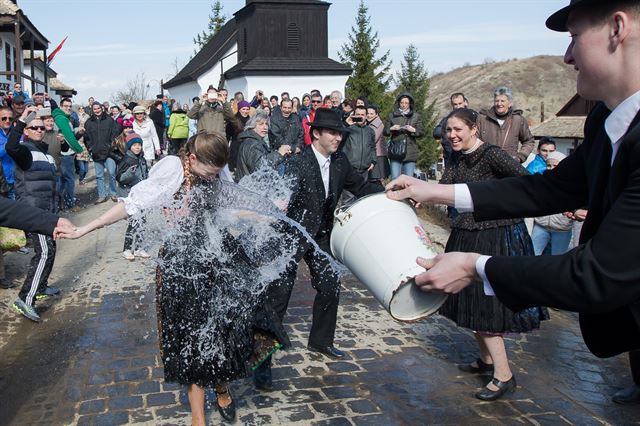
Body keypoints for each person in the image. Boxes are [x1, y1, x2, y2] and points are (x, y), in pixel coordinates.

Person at [385, 0, 640, 403]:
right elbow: (546, 190)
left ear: (617, 28)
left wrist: (474, 266)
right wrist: (436, 191)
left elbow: (598, 274)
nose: (568, 55)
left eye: (574, 37)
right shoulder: (603, 122)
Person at [58, 131, 287, 424]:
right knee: (189, 334)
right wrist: (83, 229)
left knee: (225, 326)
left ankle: (221, 386)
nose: (211, 178)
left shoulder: (215, 172)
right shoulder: (173, 170)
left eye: (216, 173)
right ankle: (197, 417)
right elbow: (131, 205)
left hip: (217, 254)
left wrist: (265, 213)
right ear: (192, 159)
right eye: (208, 172)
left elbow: (231, 206)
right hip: (181, 263)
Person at [253, 108, 383, 390]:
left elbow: (360, 187)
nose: (338, 138)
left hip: (321, 235)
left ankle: (321, 341)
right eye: (333, 133)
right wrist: (278, 202)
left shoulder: (340, 162)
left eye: (340, 133)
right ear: (316, 134)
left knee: (330, 283)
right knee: (277, 299)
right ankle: (261, 361)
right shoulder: (299, 162)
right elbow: (279, 193)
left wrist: (392, 193)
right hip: (290, 235)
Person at [437, 108, 548, 401]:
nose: (452, 135)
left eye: (458, 129)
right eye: (449, 130)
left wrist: (500, 203)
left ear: (474, 129)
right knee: (469, 303)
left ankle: (504, 375)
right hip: (465, 234)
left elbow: (526, 182)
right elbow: (443, 188)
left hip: (495, 236)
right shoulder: (456, 157)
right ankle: (486, 361)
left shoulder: (494, 155)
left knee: (487, 309)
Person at [6, 107, 61, 322]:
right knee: (44, 252)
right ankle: (24, 299)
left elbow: (51, 185)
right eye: (34, 127)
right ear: (26, 131)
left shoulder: (46, 154)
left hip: (48, 210)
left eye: (41, 127)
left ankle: (40, 287)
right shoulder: (24, 150)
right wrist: (20, 121)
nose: (39, 130)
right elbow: (10, 146)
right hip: (32, 211)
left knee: (51, 248)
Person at [477, 87, 536, 163]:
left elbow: (529, 141)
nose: (499, 104)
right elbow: (474, 140)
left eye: (502, 101)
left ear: (510, 103)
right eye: (497, 101)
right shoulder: (483, 119)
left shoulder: (518, 120)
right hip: (486, 165)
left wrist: (520, 157)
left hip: (509, 165)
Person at [531, 151, 573, 255]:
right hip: (541, 225)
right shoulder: (542, 182)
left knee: (558, 258)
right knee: (531, 254)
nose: (551, 168)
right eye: (548, 165)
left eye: (555, 165)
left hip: (561, 229)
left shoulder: (570, 184)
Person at [115, 133, 150, 260]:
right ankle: (127, 248)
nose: (137, 147)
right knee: (133, 223)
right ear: (129, 147)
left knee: (143, 221)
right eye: (134, 145)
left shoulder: (142, 159)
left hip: (142, 194)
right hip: (130, 195)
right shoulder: (126, 160)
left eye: (139, 145)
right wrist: (130, 173)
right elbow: (120, 179)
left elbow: (145, 174)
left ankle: (139, 248)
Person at [235, 111, 291, 182]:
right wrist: (279, 154)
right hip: (249, 190)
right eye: (261, 124)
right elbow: (260, 167)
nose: (265, 127)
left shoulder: (256, 140)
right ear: (253, 126)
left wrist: (282, 154)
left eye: (266, 124)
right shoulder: (252, 143)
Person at [82, 101, 121, 203]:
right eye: (95, 109)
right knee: (99, 176)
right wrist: (90, 148)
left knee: (112, 173)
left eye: (98, 108)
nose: (97, 110)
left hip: (109, 151)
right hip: (96, 152)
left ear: (102, 108)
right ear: (92, 110)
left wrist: (111, 144)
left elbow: (115, 132)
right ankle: (102, 195)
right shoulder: (89, 122)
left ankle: (113, 193)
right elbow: (86, 138)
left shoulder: (109, 120)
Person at [384, 92, 424, 179]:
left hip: (410, 151)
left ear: (410, 104)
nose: (404, 105)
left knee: (408, 179)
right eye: (402, 103)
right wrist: (392, 128)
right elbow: (385, 132)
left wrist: (413, 130)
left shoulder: (416, 116)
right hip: (395, 150)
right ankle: (395, 193)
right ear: (399, 103)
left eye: (406, 103)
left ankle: (407, 193)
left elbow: (421, 133)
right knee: (395, 178)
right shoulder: (392, 115)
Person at [433, 92, 469, 168]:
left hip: (468, 156)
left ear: (465, 102)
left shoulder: (473, 117)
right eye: (455, 104)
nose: (458, 106)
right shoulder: (446, 120)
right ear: (452, 105)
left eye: (460, 103)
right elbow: (437, 133)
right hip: (451, 156)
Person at [341, 105, 376, 179]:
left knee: (363, 190)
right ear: (354, 116)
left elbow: (373, 147)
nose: (360, 116)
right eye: (358, 114)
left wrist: (373, 161)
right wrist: (346, 124)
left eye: (362, 115)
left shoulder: (370, 131)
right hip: (350, 168)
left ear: (366, 116)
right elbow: (339, 140)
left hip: (365, 169)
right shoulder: (348, 129)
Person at [227, 100, 252, 172]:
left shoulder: (251, 120)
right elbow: (228, 135)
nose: (245, 111)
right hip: (236, 147)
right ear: (239, 109)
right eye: (243, 109)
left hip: (247, 147)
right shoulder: (233, 120)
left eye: (247, 109)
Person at [366, 104, 389, 183]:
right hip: (374, 155)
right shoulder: (370, 124)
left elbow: (372, 139)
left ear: (376, 115)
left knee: (375, 180)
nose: (369, 115)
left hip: (378, 156)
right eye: (367, 113)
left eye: (371, 114)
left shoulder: (378, 125)